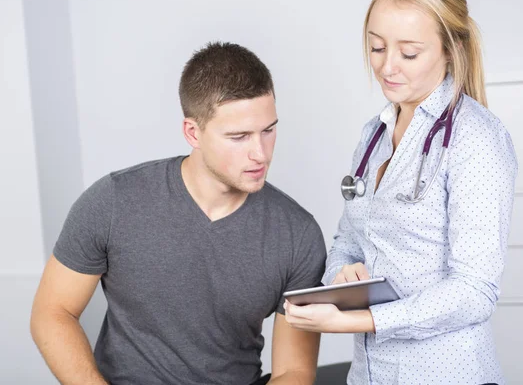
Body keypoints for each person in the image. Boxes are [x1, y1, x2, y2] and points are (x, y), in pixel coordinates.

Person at [30, 42, 326, 385]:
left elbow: (294, 371)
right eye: (239, 136)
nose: (260, 153)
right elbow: (52, 313)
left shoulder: (297, 233)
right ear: (192, 132)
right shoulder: (112, 202)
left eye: (268, 130)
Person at [283, 0, 517, 384]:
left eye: (408, 53)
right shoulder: (374, 134)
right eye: (376, 48)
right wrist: (342, 275)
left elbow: (475, 291)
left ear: (450, 48)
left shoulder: (476, 139)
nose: (387, 67)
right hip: (369, 375)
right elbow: (347, 243)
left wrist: (362, 320)